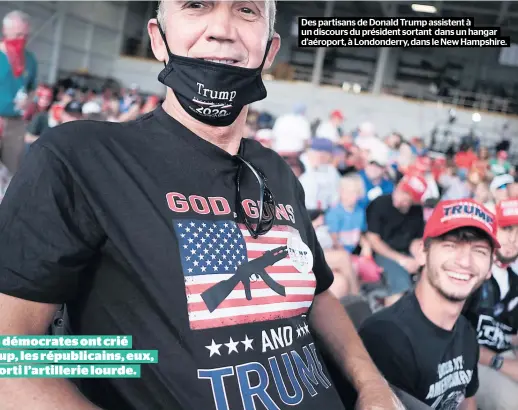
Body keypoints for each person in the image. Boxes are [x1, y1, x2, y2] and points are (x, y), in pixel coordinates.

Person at [0, 1, 403, 409]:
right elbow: (10, 358)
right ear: (158, 38)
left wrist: (372, 384)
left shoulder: (275, 171)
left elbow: (318, 295)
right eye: (196, 5)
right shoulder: (82, 158)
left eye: (246, 10)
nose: (221, 28)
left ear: (270, 51)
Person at [360, 198, 500, 409]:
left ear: (490, 267)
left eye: (479, 251)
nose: (464, 261)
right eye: (450, 245)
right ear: (422, 253)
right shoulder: (385, 338)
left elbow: (467, 400)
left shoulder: (465, 332)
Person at [462, 199, 518, 409]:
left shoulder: (513, 278)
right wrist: (500, 363)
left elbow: (512, 332)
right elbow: (450, 339)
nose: (513, 239)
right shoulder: (469, 271)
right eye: (507, 229)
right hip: (470, 362)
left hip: (501, 352)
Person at [366, 174, 427, 306]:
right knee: (400, 285)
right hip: (384, 253)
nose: (400, 196)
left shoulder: (416, 210)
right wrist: (402, 260)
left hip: (406, 252)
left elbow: (415, 239)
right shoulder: (380, 203)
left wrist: (418, 256)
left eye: (406, 195)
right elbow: (374, 240)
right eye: (400, 190)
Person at [0, 10, 38, 172]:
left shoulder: (29, 59)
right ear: (4, 31)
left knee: (12, 169)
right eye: (18, 34)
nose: (22, 40)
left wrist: (28, 100)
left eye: (26, 35)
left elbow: (32, 88)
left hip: (16, 123)